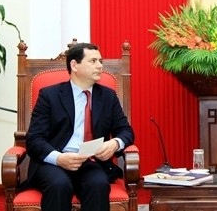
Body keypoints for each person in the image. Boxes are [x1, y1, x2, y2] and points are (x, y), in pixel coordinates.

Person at [25, 43, 135, 211]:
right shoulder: (49, 95)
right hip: (54, 162)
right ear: (74, 65)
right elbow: (34, 139)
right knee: (59, 185)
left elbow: (125, 131)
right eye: (93, 61)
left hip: (90, 162)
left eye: (100, 60)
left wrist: (115, 144)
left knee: (98, 184)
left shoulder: (107, 96)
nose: (100, 66)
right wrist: (59, 158)